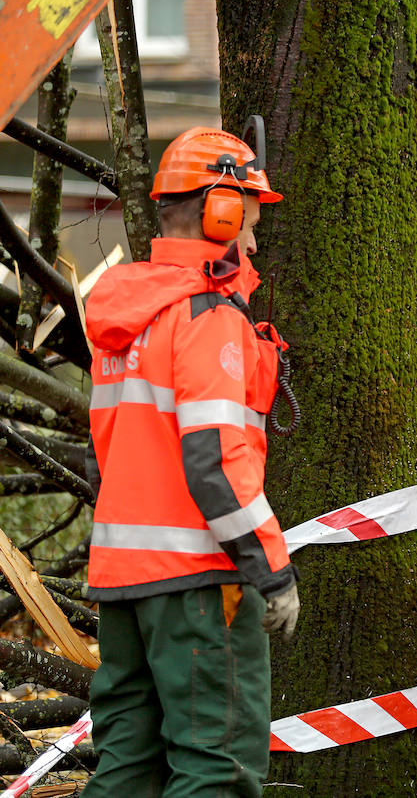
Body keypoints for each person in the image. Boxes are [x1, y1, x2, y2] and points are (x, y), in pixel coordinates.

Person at [82, 125, 299, 797]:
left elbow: (108, 457)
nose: (254, 243)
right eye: (251, 224)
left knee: (127, 766)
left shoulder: (128, 318)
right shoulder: (206, 317)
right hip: (200, 584)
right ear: (221, 214)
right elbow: (215, 459)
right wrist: (272, 569)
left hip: (121, 580)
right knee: (217, 768)